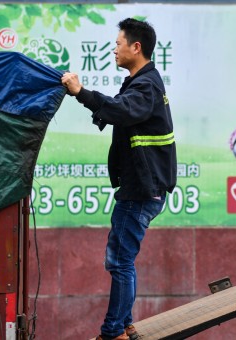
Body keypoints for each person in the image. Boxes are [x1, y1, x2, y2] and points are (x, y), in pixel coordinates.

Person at [61, 18, 176, 340]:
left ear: (135, 47)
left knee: (120, 261)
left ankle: (112, 332)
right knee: (120, 259)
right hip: (139, 185)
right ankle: (122, 326)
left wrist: (81, 92)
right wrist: (92, 103)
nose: (114, 49)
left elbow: (122, 111)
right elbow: (118, 110)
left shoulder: (146, 85)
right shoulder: (140, 81)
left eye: (117, 43)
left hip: (142, 188)